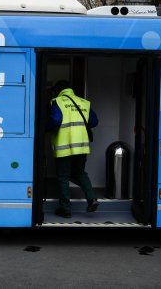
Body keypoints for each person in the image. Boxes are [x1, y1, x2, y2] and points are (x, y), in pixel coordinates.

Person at [48, 80, 99, 218]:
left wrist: (45, 128)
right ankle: (92, 198)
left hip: (65, 146)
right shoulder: (84, 102)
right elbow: (94, 121)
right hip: (82, 146)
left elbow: (55, 120)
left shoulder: (57, 101)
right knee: (80, 173)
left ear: (59, 90)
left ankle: (66, 209)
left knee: (63, 177)